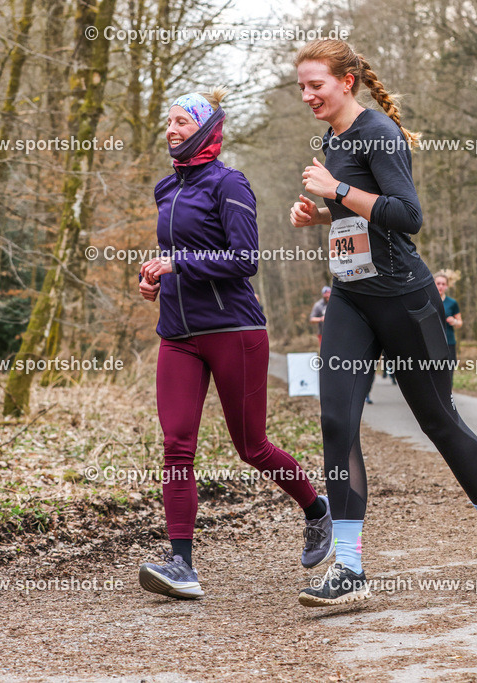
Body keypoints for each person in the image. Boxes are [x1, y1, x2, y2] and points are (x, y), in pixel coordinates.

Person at [289, 40, 477, 606]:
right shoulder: (332, 138)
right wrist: (320, 212)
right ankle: (348, 567)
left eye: (316, 84)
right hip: (350, 297)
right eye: (301, 86)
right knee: (335, 422)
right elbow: (356, 215)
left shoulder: (379, 133)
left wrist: (338, 189)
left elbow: (407, 216)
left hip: (405, 300)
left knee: (438, 420)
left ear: (347, 81)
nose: (307, 95)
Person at [137, 89, 334, 600]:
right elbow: (172, 255)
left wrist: (180, 263)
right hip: (177, 335)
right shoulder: (165, 188)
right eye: (168, 121)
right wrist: (155, 278)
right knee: (177, 444)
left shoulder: (231, 184)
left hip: (233, 331)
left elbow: (246, 259)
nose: (171, 129)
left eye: (181, 121)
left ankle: (316, 508)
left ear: (205, 129)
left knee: (251, 447)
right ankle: (181, 563)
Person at [435, 270, 463, 381]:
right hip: (432, 343)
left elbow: (460, 322)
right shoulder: (429, 301)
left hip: (449, 342)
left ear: (447, 286)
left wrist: (454, 322)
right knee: (434, 372)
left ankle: (448, 396)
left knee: (448, 372)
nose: (441, 286)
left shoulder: (452, 303)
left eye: (443, 284)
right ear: (433, 284)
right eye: (438, 283)